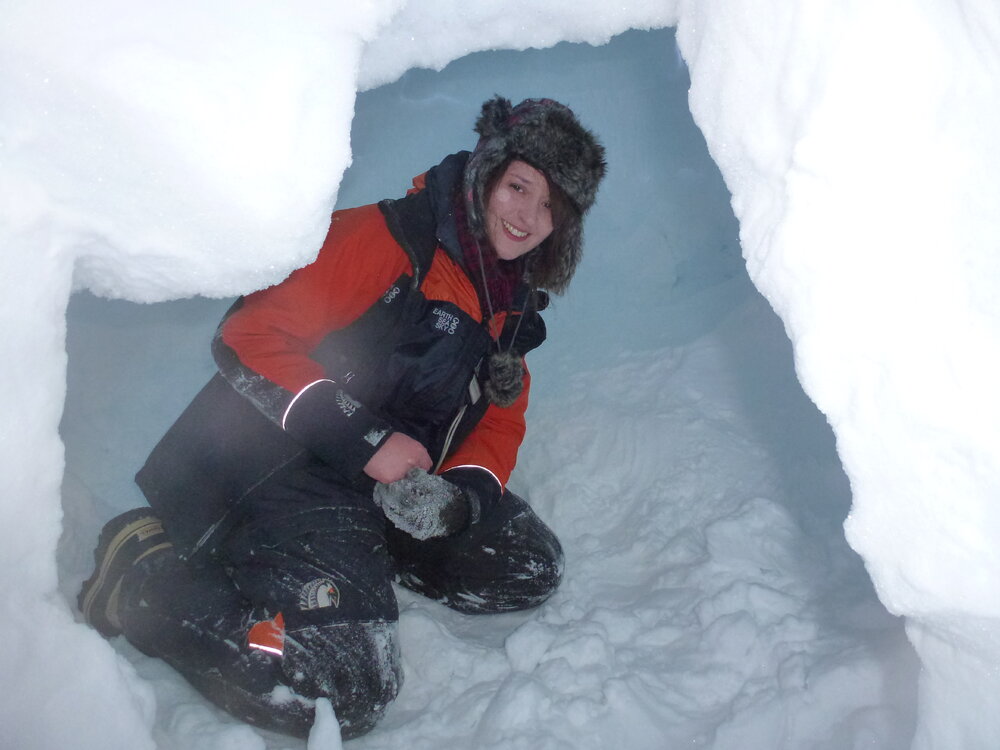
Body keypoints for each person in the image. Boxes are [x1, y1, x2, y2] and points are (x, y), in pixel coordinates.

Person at [77, 96, 606, 739]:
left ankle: (359, 559)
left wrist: (458, 501)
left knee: (524, 563)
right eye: (519, 186)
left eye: (551, 205)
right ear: (485, 175)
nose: (527, 215)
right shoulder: (384, 240)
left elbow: (499, 420)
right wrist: (369, 440)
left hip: (378, 489)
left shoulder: (510, 301)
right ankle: (143, 579)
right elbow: (248, 335)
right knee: (344, 688)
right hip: (273, 468)